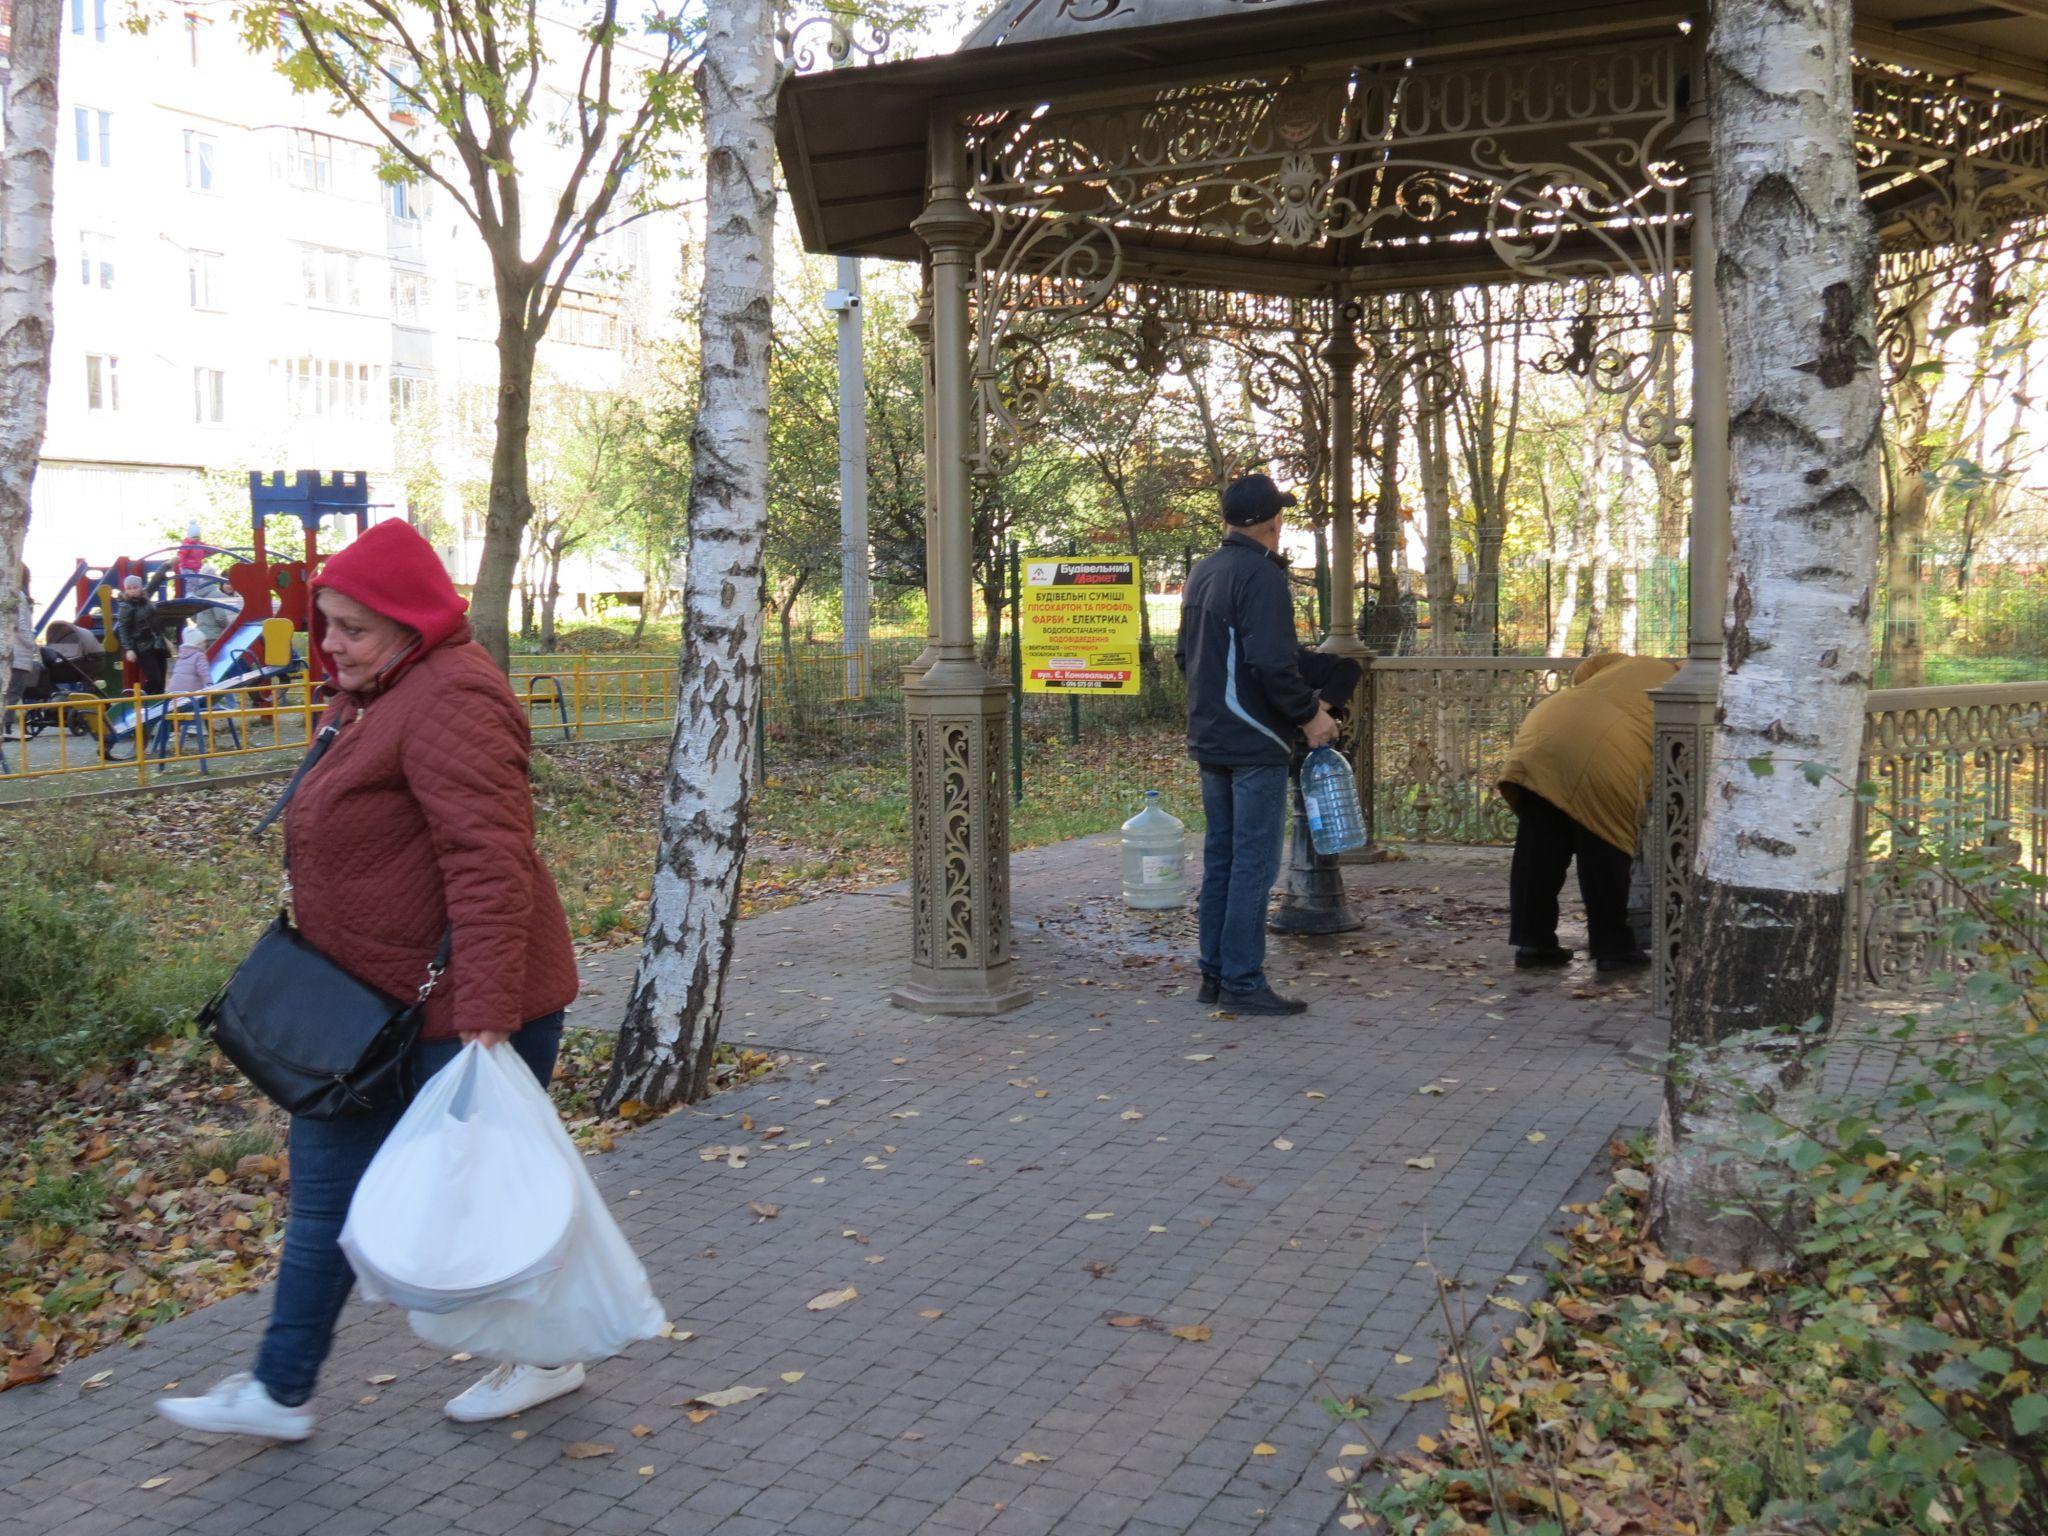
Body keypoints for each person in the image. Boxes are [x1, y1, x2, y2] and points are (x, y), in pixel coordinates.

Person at [158, 520, 582, 1442]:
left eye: (353, 627)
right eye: (327, 624)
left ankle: (548, 1355)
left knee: (478, 1205)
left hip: (461, 1014)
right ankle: (279, 1392)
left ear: (410, 623)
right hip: (363, 1017)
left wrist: (487, 1014)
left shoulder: (452, 696)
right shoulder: (377, 694)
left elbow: (489, 862)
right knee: (324, 1205)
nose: (331, 644)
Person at [1176, 472, 1341, 1015]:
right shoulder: (1262, 576)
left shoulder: (1203, 572)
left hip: (1211, 738)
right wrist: (1309, 715)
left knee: (1222, 859)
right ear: (1273, 523)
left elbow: (1184, 658)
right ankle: (1243, 982)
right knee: (1253, 864)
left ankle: (1214, 974)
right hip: (1255, 742)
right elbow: (1272, 662)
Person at [1497, 652, 1678, 973]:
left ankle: (1533, 943)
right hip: (1608, 747)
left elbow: (1584, 669)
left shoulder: (1623, 663)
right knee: (1604, 848)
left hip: (1545, 727)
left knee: (1538, 850)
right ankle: (1613, 949)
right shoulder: (1685, 682)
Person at [114, 573, 170, 696]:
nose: (132, 591)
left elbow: (154, 581)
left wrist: (166, 566)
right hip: (142, 646)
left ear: (140, 588)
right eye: (129, 588)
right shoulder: (126, 606)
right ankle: (143, 700)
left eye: (135, 587)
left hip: (157, 643)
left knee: (162, 678)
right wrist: (129, 649)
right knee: (154, 678)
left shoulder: (146, 598)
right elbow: (123, 629)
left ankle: (158, 701)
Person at [6, 573, 39, 713]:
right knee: (12, 695)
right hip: (18, 655)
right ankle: (6, 724)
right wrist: (31, 643)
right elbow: (19, 622)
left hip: (12, 652)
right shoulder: (16, 594)